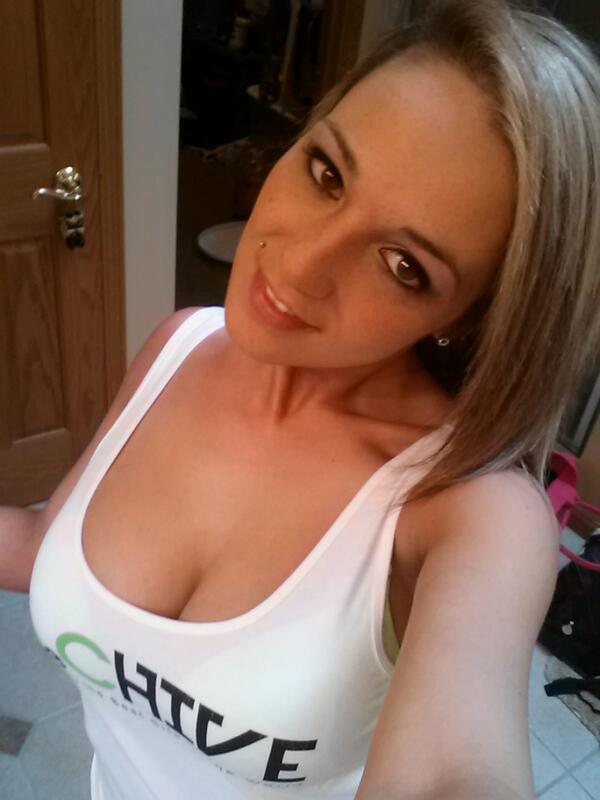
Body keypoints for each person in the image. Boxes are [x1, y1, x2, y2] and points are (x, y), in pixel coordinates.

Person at [2, 1, 600, 798]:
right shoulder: (180, 343)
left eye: (404, 265)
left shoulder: (473, 513)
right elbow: (43, 545)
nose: (300, 263)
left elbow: (457, 773)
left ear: (469, 315)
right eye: (327, 173)